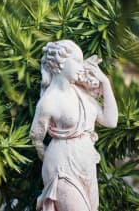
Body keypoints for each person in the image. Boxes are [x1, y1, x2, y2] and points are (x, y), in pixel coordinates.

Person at [30, 40, 118, 211]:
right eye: (77, 60)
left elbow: (110, 121)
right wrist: (47, 158)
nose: (81, 65)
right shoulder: (48, 102)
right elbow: (36, 136)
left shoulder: (81, 93)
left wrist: (105, 82)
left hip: (85, 163)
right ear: (61, 63)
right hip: (61, 166)